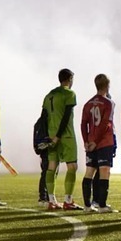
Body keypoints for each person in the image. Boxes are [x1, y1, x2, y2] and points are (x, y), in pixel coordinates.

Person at [42, 69, 79, 210]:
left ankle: (51, 200)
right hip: (66, 136)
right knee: (72, 167)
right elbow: (66, 116)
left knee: (52, 166)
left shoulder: (49, 95)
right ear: (70, 79)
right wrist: (58, 136)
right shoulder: (69, 93)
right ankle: (68, 200)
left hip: (51, 136)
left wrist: (49, 136)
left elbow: (43, 117)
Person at [81, 74, 117, 213]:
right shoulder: (109, 103)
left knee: (89, 171)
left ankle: (87, 205)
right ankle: (102, 205)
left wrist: (86, 141)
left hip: (90, 142)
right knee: (104, 172)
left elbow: (83, 124)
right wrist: (96, 142)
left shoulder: (88, 103)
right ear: (107, 86)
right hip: (104, 142)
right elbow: (105, 124)